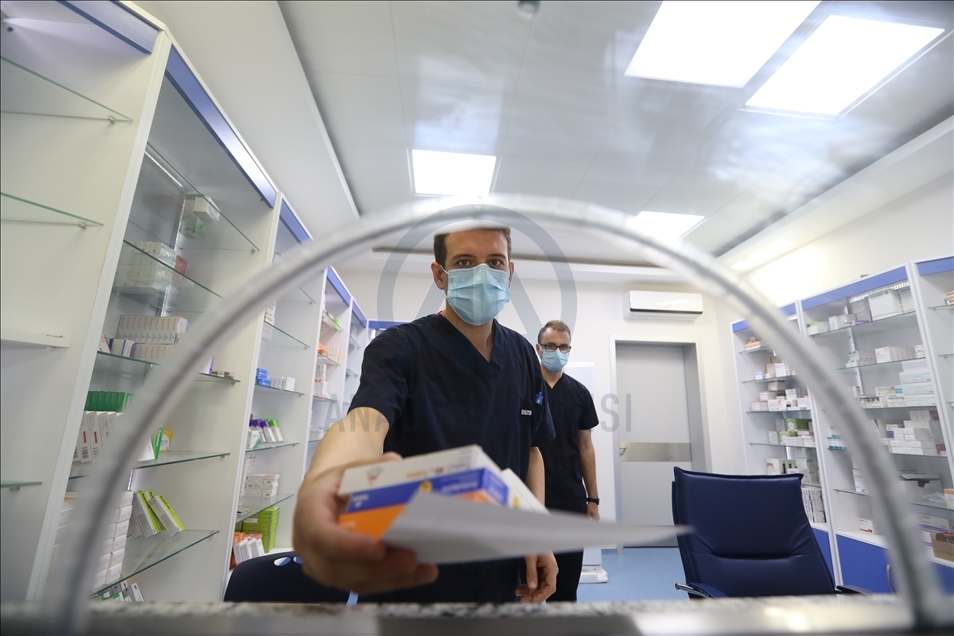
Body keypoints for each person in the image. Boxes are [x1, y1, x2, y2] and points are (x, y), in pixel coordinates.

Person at [292, 226, 558, 603]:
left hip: (502, 572)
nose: (482, 274)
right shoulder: (399, 348)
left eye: (495, 262)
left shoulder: (523, 354)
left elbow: (532, 449)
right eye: (464, 262)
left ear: (510, 272)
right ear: (439, 275)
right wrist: (325, 480)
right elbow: (363, 424)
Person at [534, 320, 600, 602]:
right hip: (529, 499)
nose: (557, 351)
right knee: (526, 583)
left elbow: (586, 447)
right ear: (538, 349)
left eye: (563, 347)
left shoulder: (580, 393)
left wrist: (592, 499)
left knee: (566, 585)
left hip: (570, 499)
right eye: (550, 346)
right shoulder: (522, 388)